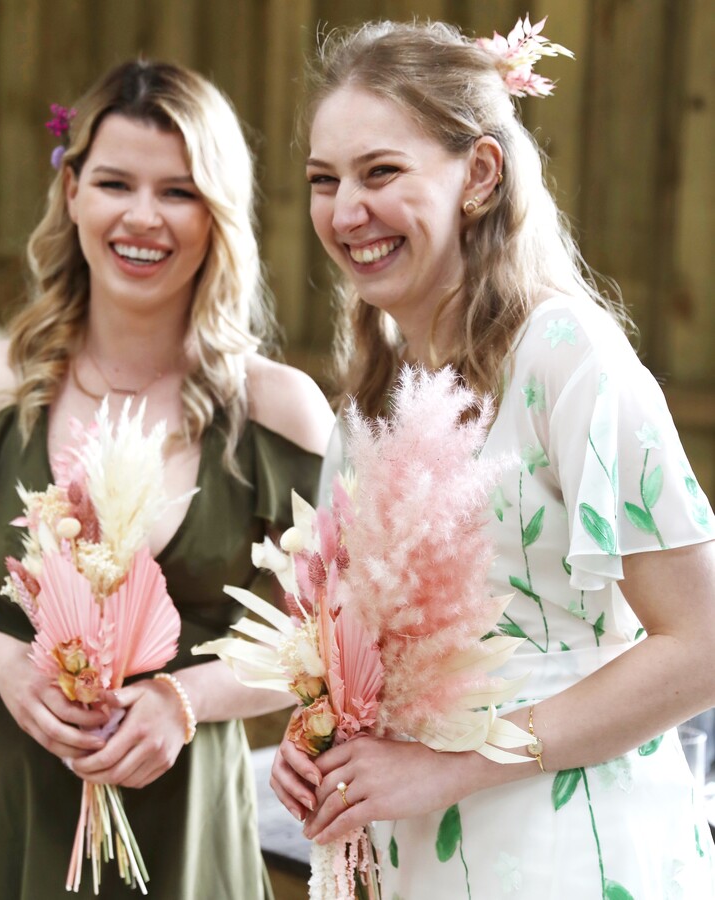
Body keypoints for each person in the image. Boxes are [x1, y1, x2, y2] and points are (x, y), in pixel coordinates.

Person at [271, 17, 715, 898]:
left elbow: (702, 644)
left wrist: (453, 765)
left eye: (381, 172)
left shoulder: (566, 354)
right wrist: (313, 735)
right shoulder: (373, 390)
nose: (344, 211)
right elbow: (348, 638)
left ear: (478, 174)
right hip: (412, 852)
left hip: (566, 845)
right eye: (324, 180)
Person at [0, 58, 334, 900]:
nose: (143, 217)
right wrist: (6, 664)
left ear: (219, 214)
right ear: (71, 196)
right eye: (114, 183)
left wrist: (186, 698)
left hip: (184, 814)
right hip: (2, 803)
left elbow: (314, 638)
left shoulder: (281, 414)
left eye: (178, 191)